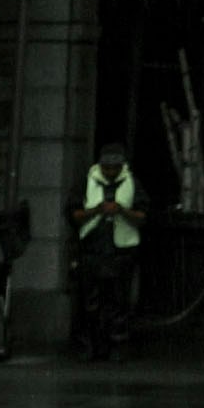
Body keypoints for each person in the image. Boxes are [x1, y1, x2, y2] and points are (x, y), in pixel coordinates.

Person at [72, 147, 141, 358]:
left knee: (118, 303)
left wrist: (121, 210)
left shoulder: (132, 183)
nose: (110, 171)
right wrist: (97, 210)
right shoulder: (86, 182)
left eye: (115, 167)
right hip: (92, 249)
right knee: (89, 303)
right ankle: (89, 346)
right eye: (106, 167)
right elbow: (73, 214)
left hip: (121, 250)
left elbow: (143, 215)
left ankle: (116, 347)